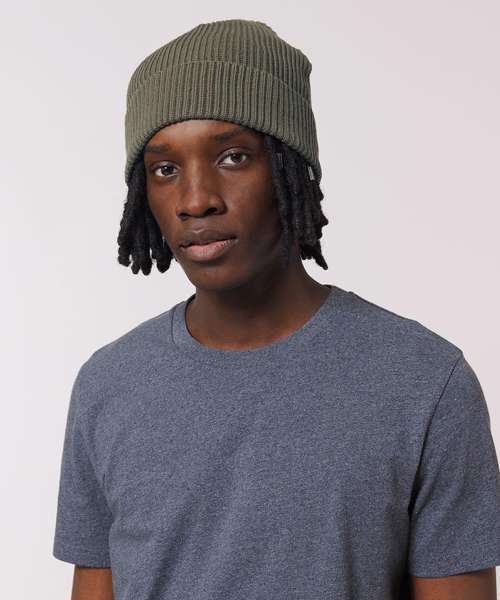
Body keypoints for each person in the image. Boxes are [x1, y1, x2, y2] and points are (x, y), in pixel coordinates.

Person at [52, 19, 500, 600]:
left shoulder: (424, 382)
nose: (196, 199)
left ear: (292, 170)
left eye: (233, 157)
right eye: (165, 169)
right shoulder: (108, 385)